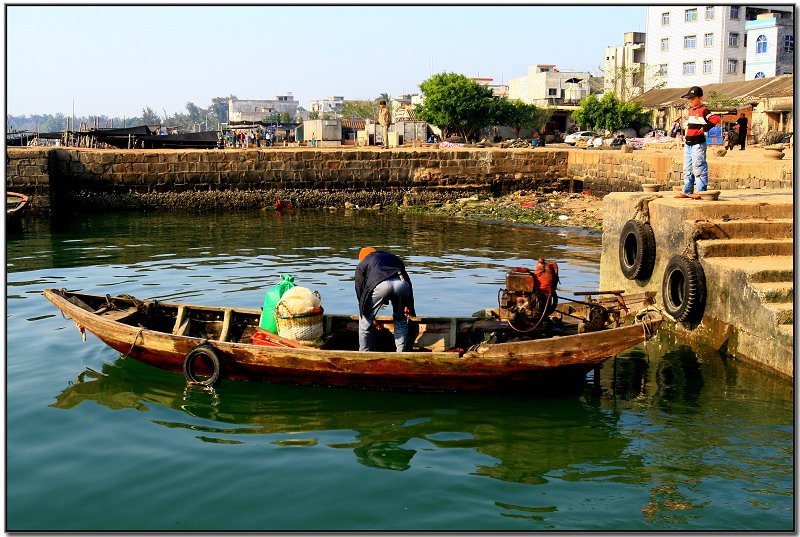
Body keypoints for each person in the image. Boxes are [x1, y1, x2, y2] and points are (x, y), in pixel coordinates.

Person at [354, 247, 415, 352]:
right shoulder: (392, 257)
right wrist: (409, 305)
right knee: (400, 320)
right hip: (402, 285)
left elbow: (359, 288)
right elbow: (407, 281)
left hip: (380, 286)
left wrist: (364, 310)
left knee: (365, 320)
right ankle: (401, 353)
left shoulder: (363, 263)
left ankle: (364, 353)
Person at [676, 86, 720, 199]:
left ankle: (701, 191)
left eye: (693, 99)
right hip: (688, 143)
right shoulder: (691, 110)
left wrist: (705, 128)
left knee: (699, 166)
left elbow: (715, 119)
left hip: (698, 143)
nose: (690, 101)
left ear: (700, 98)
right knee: (687, 168)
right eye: (689, 99)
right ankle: (687, 191)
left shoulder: (704, 110)